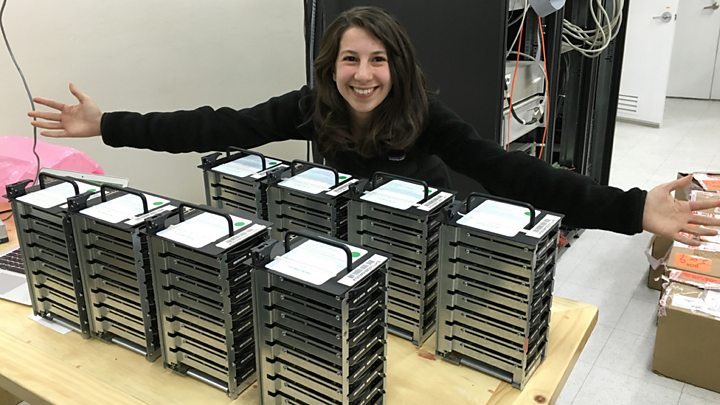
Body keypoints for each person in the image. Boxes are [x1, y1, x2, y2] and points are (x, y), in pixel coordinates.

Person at [28, 6, 720, 245]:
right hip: (344, 235)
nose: (364, 74)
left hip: (422, 236)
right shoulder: (313, 105)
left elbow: (514, 171)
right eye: (350, 59)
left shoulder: (429, 118)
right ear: (333, 67)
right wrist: (108, 123)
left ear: (398, 67)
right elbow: (218, 126)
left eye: (378, 60)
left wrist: (630, 209)